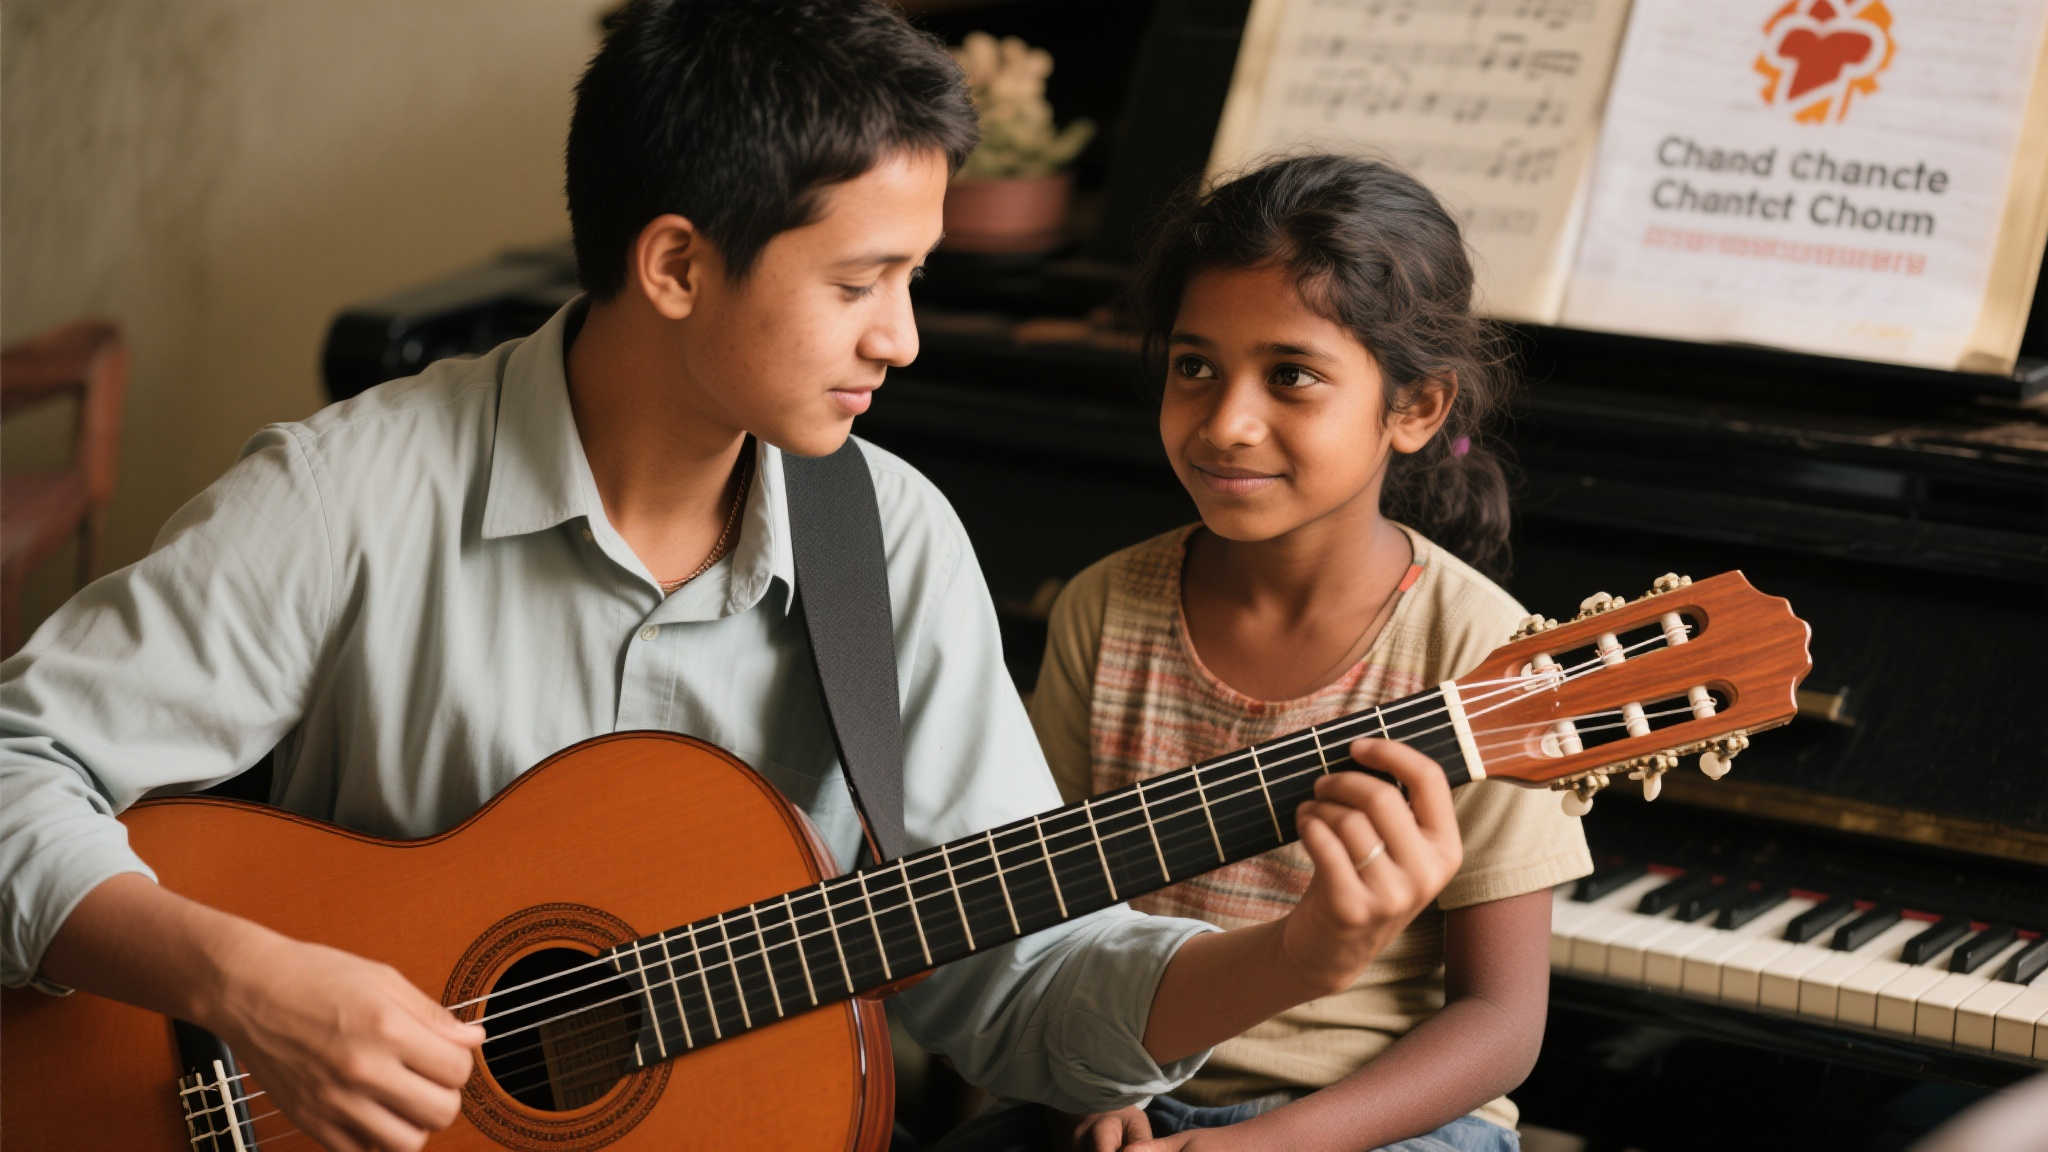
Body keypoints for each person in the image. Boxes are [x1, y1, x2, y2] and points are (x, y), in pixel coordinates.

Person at [0, 8, 1463, 1151]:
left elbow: (1013, 986)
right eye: (857, 283)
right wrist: (246, 983)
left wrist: (1296, 956)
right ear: (680, 265)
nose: (902, 339)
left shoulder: (883, 544)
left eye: (918, 279)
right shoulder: (349, 495)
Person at [1030, 154, 1594, 1151]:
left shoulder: (1485, 652)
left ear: (1414, 409)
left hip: (1372, 1120)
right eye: (1193, 366)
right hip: (1121, 1082)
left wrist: (1257, 1145)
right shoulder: (1102, 607)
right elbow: (1046, 918)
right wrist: (1089, 1085)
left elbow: (1501, 1024)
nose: (1224, 423)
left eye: (1289, 375)